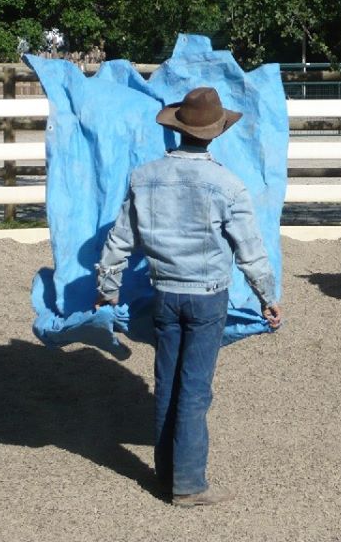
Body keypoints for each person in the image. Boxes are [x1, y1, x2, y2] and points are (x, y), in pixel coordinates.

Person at [94, 86, 282, 507]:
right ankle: (189, 485)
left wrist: (106, 292)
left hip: (165, 295)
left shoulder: (144, 178)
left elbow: (118, 242)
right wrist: (267, 298)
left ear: (179, 129)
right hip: (208, 299)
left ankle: (165, 477)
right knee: (194, 390)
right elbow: (250, 250)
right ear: (216, 133)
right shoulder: (229, 186)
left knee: (167, 385)